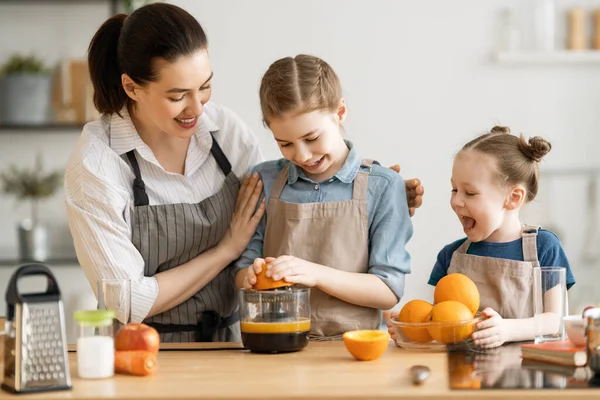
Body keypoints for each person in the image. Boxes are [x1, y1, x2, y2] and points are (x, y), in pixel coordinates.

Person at [64, 3, 424, 342]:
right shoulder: (98, 163)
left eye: (204, 87)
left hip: (233, 343)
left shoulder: (224, 132)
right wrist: (227, 250)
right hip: (145, 347)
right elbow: (128, 303)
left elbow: (291, 190)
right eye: (177, 96)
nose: (197, 108)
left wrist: (378, 191)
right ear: (132, 87)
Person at [235, 54, 414, 339]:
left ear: (340, 112)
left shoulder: (383, 186)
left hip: (354, 353)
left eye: (311, 138)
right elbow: (242, 272)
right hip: (276, 349)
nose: (302, 155)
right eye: (285, 144)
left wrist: (315, 274)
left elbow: (388, 291)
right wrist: (252, 276)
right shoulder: (264, 181)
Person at [387, 126, 575, 348]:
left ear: (513, 198)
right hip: (463, 375)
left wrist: (507, 329)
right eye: (454, 189)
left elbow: (556, 321)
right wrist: (412, 330)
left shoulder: (545, 247)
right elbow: (442, 325)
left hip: (527, 373)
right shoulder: (451, 256)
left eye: (470, 193)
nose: (456, 201)